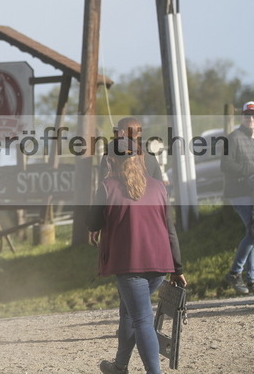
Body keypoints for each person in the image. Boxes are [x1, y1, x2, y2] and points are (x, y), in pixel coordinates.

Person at [88, 137, 186, 374]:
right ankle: (120, 366)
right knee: (128, 312)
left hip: (130, 265)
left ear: (111, 160)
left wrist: (96, 224)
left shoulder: (107, 186)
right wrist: (177, 268)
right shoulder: (159, 187)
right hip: (160, 265)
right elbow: (170, 230)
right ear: (139, 158)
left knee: (141, 319)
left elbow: (92, 222)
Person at [220, 101, 254, 294]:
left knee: (252, 233)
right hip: (238, 192)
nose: (251, 118)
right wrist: (248, 171)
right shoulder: (233, 138)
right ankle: (235, 272)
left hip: (251, 191)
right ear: (242, 116)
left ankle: (251, 279)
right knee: (253, 231)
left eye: (253, 115)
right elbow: (225, 165)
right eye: (247, 115)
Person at [98, 117, 164, 184]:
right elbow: (160, 183)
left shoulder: (111, 152)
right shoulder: (149, 154)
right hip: (148, 190)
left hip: (117, 190)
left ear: (122, 132)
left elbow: (102, 183)